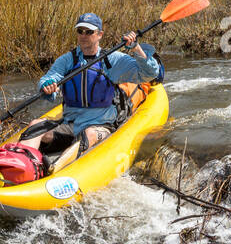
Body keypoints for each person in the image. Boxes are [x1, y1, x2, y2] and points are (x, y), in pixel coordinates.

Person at [16, 13, 160, 158]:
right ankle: (21, 163)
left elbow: (148, 74)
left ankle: (57, 169)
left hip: (101, 125)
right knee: (35, 125)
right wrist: (46, 85)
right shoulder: (67, 60)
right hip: (70, 125)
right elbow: (50, 77)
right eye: (80, 31)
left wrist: (136, 48)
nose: (83, 35)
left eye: (89, 32)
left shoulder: (111, 59)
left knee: (89, 134)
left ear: (100, 34)